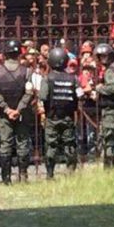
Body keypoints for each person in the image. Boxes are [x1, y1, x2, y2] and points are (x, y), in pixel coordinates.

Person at [0, 38, 36, 184]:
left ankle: (6, 178)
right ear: (18, 53)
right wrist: (18, 109)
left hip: (5, 114)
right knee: (22, 143)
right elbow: (29, 92)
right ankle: (23, 175)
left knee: (5, 144)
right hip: (22, 113)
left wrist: (6, 108)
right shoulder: (26, 71)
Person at [39, 46, 79, 178]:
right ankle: (71, 173)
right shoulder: (73, 79)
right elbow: (81, 94)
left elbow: (43, 97)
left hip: (52, 117)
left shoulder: (47, 79)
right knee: (69, 144)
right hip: (68, 117)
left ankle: (50, 175)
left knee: (51, 146)